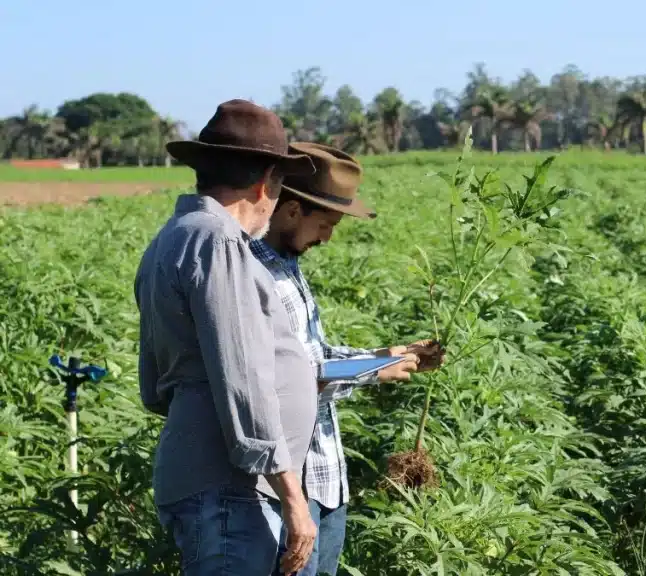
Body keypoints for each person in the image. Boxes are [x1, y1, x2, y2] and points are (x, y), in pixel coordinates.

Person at [133, 99, 323, 575]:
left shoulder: (173, 237)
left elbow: (156, 383)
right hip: (229, 490)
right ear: (266, 184)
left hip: (208, 481)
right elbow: (244, 381)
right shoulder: (217, 242)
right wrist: (293, 497)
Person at [249, 142, 445, 576]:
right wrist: (373, 372)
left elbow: (314, 357)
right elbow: (286, 380)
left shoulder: (287, 266)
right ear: (294, 210)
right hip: (292, 480)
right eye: (326, 223)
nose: (328, 237)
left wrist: (384, 355)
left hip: (325, 476)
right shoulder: (256, 275)